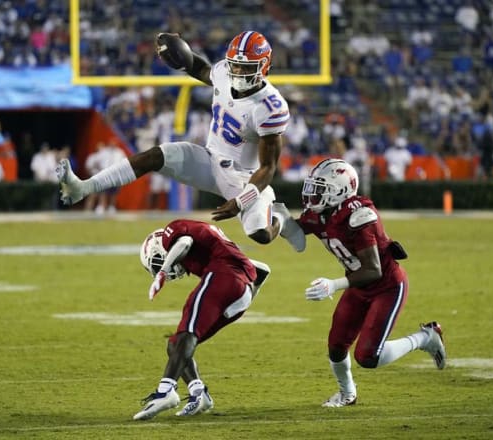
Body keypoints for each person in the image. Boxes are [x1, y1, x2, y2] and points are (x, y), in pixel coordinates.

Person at [56, 31, 304, 251]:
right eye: (235, 66)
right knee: (154, 156)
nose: (237, 72)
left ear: (264, 66)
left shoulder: (270, 107)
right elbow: (201, 69)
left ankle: (280, 218)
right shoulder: (224, 74)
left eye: (245, 67)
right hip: (209, 160)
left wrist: (240, 202)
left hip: (243, 177)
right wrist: (180, 54)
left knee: (259, 235)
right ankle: (83, 188)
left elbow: (268, 167)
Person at [284, 158, 447, 407]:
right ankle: (347, 394)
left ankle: (426, 338)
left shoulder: (359, 215)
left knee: (368, 356)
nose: (313, 195)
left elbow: (373, 270)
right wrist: (269, 215)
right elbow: (293, 229)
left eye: (321, 188)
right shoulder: (322, 213)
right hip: (359, 286)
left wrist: (333, 284)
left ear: (339, 189)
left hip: (386, 286)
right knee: (336, 346)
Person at [133, 219, 271, 420]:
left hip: (224, 277)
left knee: (187, 332)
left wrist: (163, 271)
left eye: (157, 261)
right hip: (241, 293)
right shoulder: (204, 253)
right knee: (176, 344)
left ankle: (166, 391)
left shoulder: (173, 232)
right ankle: (199, 394)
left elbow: (185, 242)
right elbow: (263, 269)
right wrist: (247, 298)